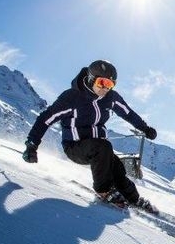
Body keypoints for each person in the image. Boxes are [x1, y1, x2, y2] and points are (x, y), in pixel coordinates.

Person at [22, 59, 158, 212]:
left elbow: (128, 113)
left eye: (110, 84)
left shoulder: (111, 98)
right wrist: (32, 145)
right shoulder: (72, 98)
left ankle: (133, 198)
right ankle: (103, 190)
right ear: (91, 79)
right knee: (103, 147)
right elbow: (45, 119)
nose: (105, 88)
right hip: (75, 146)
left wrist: (145, 129)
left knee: (117, 168)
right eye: (102, 83)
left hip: (98, 148)